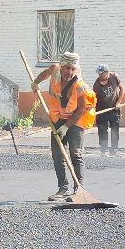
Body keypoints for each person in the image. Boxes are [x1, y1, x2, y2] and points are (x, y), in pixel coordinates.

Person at [31, 51, 94, 201]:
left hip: (75, 121)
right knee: (57, 154)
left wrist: (66, 127)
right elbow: (44, 74)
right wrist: (35, 83)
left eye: (73, 69)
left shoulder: (79, 85)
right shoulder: (54, 70)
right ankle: (63, 188)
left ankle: (79, 190)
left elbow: (81, 110)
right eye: (67, 68)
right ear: (61, 66)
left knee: (75, 154)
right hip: (57, 118)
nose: (69, 72)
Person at [92, 64, 125, 156]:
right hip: (101, 110)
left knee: (115, 131)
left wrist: (118, 102)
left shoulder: (114, 77)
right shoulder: (96, 85)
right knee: (102, 131)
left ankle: (114, 150)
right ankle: (104, 150)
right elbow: (94, 99)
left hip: (114, 109)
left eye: (101, 74)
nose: (99, 76)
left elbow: (122, 88)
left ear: (106, 73)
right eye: (98, 74)